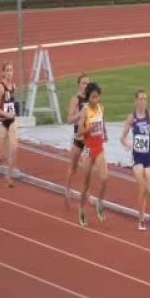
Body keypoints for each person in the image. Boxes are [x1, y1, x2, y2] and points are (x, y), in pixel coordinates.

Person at [120, 89, 150, 231]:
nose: (143, 101)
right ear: (136, 101)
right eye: (141, 99)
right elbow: (122, 137)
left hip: (148, 158)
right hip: (136, 158)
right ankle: (141, 219)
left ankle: (142, 215)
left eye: (145, 99)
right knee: (142, 187)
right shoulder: (132, 118)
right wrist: (127, 144)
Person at [77, 82, 108, 227]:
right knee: (86, 183)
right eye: (93, 97)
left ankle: (99, 203)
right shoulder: (85, 110)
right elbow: (78, 133)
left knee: (104, 178)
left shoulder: (101, 108)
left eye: (97, 97)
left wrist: (105, 133)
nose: (96, 100)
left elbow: (103, 123)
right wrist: (87, 129)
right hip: (88, 149)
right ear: (88, 98)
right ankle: (82, 209)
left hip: (99, 147)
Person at [0, 61, 18, 188]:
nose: (9, 73)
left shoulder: (14, 86)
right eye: (7, 70)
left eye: (11, 70)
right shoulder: (0, 87)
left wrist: (12, 114)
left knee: (13, 149)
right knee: (2, 155)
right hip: (2, 123)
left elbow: (11, 103)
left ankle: (9, 178)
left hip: (12, 122)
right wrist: (6, 114)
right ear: (3, 72)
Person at [65, 73, 90, 207]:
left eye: (88, 83)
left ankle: (86, 194)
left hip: (88, 139)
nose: (86, 86)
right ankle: (67, 190)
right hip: (77, 138)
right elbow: (69, 120)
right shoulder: (75, 99)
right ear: (79, 85)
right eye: (83, 83)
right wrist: (81, 113)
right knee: (73, 168)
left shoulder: (92, 99)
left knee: (87, 168)